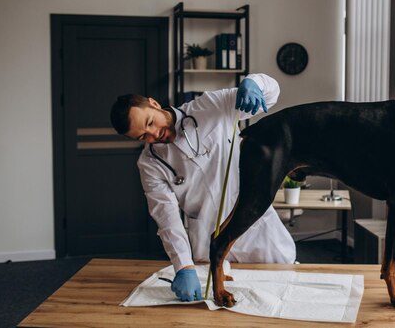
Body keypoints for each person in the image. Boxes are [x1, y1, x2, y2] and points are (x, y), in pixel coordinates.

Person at [110, 74, 296, 302]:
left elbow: (271, 94)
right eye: (143, 136)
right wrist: (183, 266)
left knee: (279, 299)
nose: (154, 135)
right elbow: (167, 218)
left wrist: (255, 83)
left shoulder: (210, 106)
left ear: (154, 104)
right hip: (209, 246)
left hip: (257, 232)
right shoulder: (150, 164)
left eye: (150, 122)